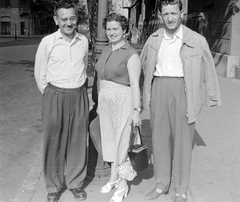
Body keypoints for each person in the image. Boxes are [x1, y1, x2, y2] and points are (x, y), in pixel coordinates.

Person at [140, 1, 221, 202]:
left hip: (184, 91)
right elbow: (144, 65)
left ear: (181, 13)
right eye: (166, 14)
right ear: (160, 15)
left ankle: (181, 190)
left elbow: (209, 69)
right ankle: (161, 184)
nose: (170, 18)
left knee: (183, 143)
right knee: (159, 140)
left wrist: (211, 97)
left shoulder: (197, 40)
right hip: (159, 89)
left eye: (174, 13)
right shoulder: (153, 39)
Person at [34, 1, 89, 202]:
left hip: (78, 95)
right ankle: (53, 186)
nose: (68, 23)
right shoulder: (48, 42)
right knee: (53, 142)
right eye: (64, 19)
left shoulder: (83, 41)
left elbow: (83, 66)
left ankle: (75, 183)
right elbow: (40, 73)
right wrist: (51, 95)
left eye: (72, 18)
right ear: (56, 20)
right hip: (55, 96)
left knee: (77, 141)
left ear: (77, 18)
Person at [95, 13, 141, 202]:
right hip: (105, 99)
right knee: (110, 141)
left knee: (122, 143)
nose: (111, 32)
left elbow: (135, 84)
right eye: (109, 29)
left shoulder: (131, 54)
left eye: (115, 29)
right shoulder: (105, 50)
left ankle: (123, 185)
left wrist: (137, 111)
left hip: (123, 99)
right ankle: (114, 177)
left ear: (124, 31)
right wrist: (99, 102)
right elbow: (99, 77)